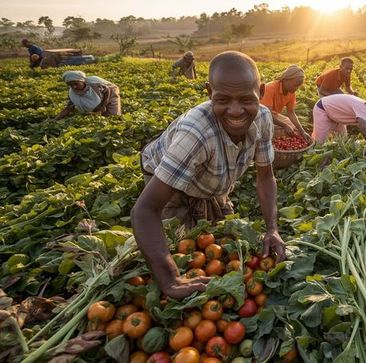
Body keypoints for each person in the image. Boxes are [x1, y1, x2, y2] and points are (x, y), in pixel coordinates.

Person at [131, 51, 286, 300]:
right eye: (223, 99)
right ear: (208, 93)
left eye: (247, 99)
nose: (235, 111)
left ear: (262, 90)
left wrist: (272, 229)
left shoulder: (264, 118)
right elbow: (145, 210)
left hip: (213, 180)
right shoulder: (196, 133)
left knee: (219, 240)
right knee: (182, 250)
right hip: (169, 180)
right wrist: (170, 279)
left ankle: (208, 201)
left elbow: (265, 177)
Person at [311, 93, 366, 165]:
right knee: (319, 144)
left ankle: (331, 160)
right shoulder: (363, 109)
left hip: (336, 115)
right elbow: (365, 131)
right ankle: (316, 166)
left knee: (343, 142)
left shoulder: (365, 111)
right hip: (323, 109)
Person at [260, 65, 309, 138]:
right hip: (260, 115)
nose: (297, 88)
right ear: (286, 80)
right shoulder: (270, 88)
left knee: (292, 126)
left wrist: (302, 131)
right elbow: (267, 115)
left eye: (298, 86)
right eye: (295, 85)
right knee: (275, 129)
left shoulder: (291, 92)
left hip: (273, 115)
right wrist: (284, 126)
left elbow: (291, 112)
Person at [54, 71, 121, 120]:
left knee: (112, 115)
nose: (74, 87)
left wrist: (101, 106)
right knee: (96, 114)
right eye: (70, 85)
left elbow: (107, 92)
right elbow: (69, 107)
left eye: (76, 84)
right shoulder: (72, 92)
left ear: (83, 81)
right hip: (101, 94)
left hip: (111, 91)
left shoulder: (95, 85)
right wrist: (56, 119)